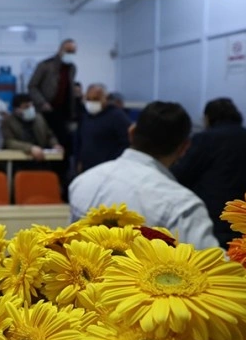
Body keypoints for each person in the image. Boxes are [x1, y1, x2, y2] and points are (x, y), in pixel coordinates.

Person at [69, 101, 219, 249]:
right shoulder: (181, 206)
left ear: (131, 132)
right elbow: (212, 268)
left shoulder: (81, 182)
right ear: (184, 148)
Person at [172, 98, 246, 245]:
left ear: (208, 118)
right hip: (244, 215)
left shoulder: (205, 138)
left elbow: (183, 174)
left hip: (213, 214)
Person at [28, 39, 78, 169]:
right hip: (47, 112)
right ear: (60, 50)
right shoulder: (45, 65)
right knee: (47, 143)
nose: (70, 54)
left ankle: (63, 178)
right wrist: (42, 103)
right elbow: (32, 86)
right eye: (68, 51)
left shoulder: (72, 68)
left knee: (65, 147)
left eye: (73, 51)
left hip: (65, 112)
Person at [75, 83, 132, 173]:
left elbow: (127, 142)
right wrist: (78, 161)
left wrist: (114, 162)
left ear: (105, 98)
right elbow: (80, 140)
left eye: (96, 99)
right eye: (88, 99)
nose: (91, 103)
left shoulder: (117, 116)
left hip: (109, 169)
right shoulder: (85, 116)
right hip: (87, 168)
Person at [1, 94, 62, 159]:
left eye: (31, 106)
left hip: (41, 157)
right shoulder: (8, 121)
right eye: (26, 107)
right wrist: (30, 148)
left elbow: (49, 135)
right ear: (17, 110)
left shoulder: (39, 118)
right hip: (19, 159)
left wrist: (55, 144)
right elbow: (9, 142)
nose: (30, 109)